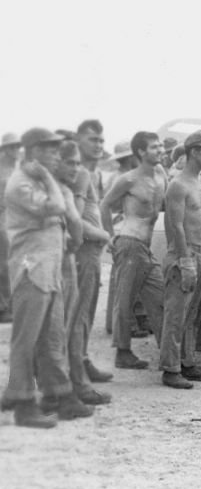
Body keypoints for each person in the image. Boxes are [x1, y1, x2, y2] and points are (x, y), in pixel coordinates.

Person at [0, 128, 94, 427]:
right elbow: (58, 207)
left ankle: (61, 396)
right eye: (49, 149)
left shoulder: (37, 180)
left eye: (56, 149)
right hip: (31, 269)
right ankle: (23, 403)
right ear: (32, 152)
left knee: (51, 335)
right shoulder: (21, 183)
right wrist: (50, 178)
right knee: (26, 339)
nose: (55, 154)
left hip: (48, 269)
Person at [100, 131, 167, 370]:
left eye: (160, 146)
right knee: (124, 299)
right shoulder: (128, 179)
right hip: (129, 242)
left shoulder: (161, 175)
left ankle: (169, 356)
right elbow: (105, 204)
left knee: (161, 298)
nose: (160, 150)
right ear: (140, 152)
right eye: (153, 147)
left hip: (146, 248)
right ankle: (123, 352)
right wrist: (110, 236)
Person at [54, 140, 112, 409]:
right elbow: (75, 223)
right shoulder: (66, 187)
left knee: (76, 320)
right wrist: (103, 235)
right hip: (74, 256)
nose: (76, 168)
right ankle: (74, 384)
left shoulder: (71, 182)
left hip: (71, 257)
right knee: (74, 323)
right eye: (70, 162)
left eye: (78, 163)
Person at [159, 131, 201, 389]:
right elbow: (175, 226)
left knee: (193, 312)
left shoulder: (196, 182)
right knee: (176, 315)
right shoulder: (178, 184)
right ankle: (170, 369)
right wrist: (184, 261)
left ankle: (187, 362)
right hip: (183, 254)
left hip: (199, 252)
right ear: (194, 152)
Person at [67, 120, 115, 385]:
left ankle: (81, 360)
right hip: (83, 250)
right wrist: (104, 235)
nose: (98, 145)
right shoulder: (79, 173)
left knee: (86, 311)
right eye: (92, 140)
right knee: (78, 312)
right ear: (78, 140)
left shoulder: (93, 174)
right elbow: (73, 217)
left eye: (101, 140)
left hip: (93, 252)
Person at [0, 132, 22, 322]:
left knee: (14, 261)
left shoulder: (17, 167)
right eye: (11, 147)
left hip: (15, 218)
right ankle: (5, 307)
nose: (15, 150)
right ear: (5, 149)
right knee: (5, 264)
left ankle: (11, 304)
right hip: (2, 218)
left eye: (17, 146)